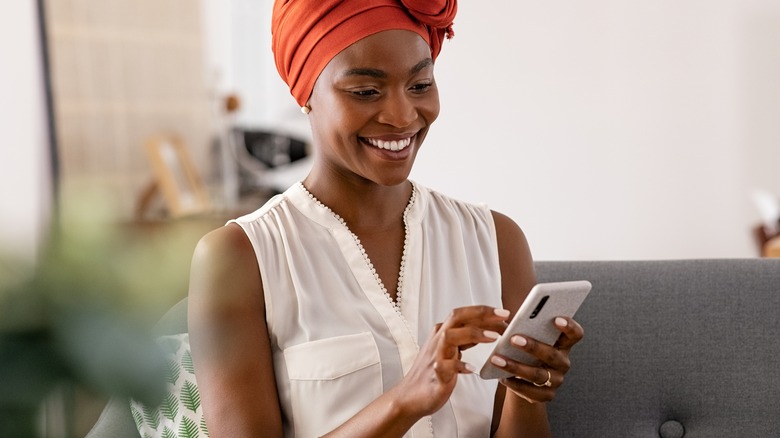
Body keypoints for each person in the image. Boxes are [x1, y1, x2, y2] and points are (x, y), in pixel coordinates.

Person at [187, 0, 584, 436]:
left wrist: (526, 392)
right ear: (305, 94)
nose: (401, 116)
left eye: (420, 85)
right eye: (365, 92)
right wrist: (403, 401)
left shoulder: (496, 240)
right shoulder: (239, 257)